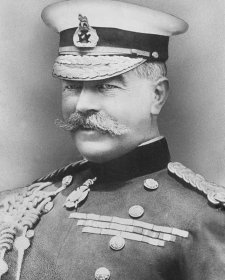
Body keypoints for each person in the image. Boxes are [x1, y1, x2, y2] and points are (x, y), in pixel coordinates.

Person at [1, 0, 225, 279]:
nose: (82, 105)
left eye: (105, 86)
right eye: (72, 86)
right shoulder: (26, 205)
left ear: (157, 96)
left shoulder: (199, 220)